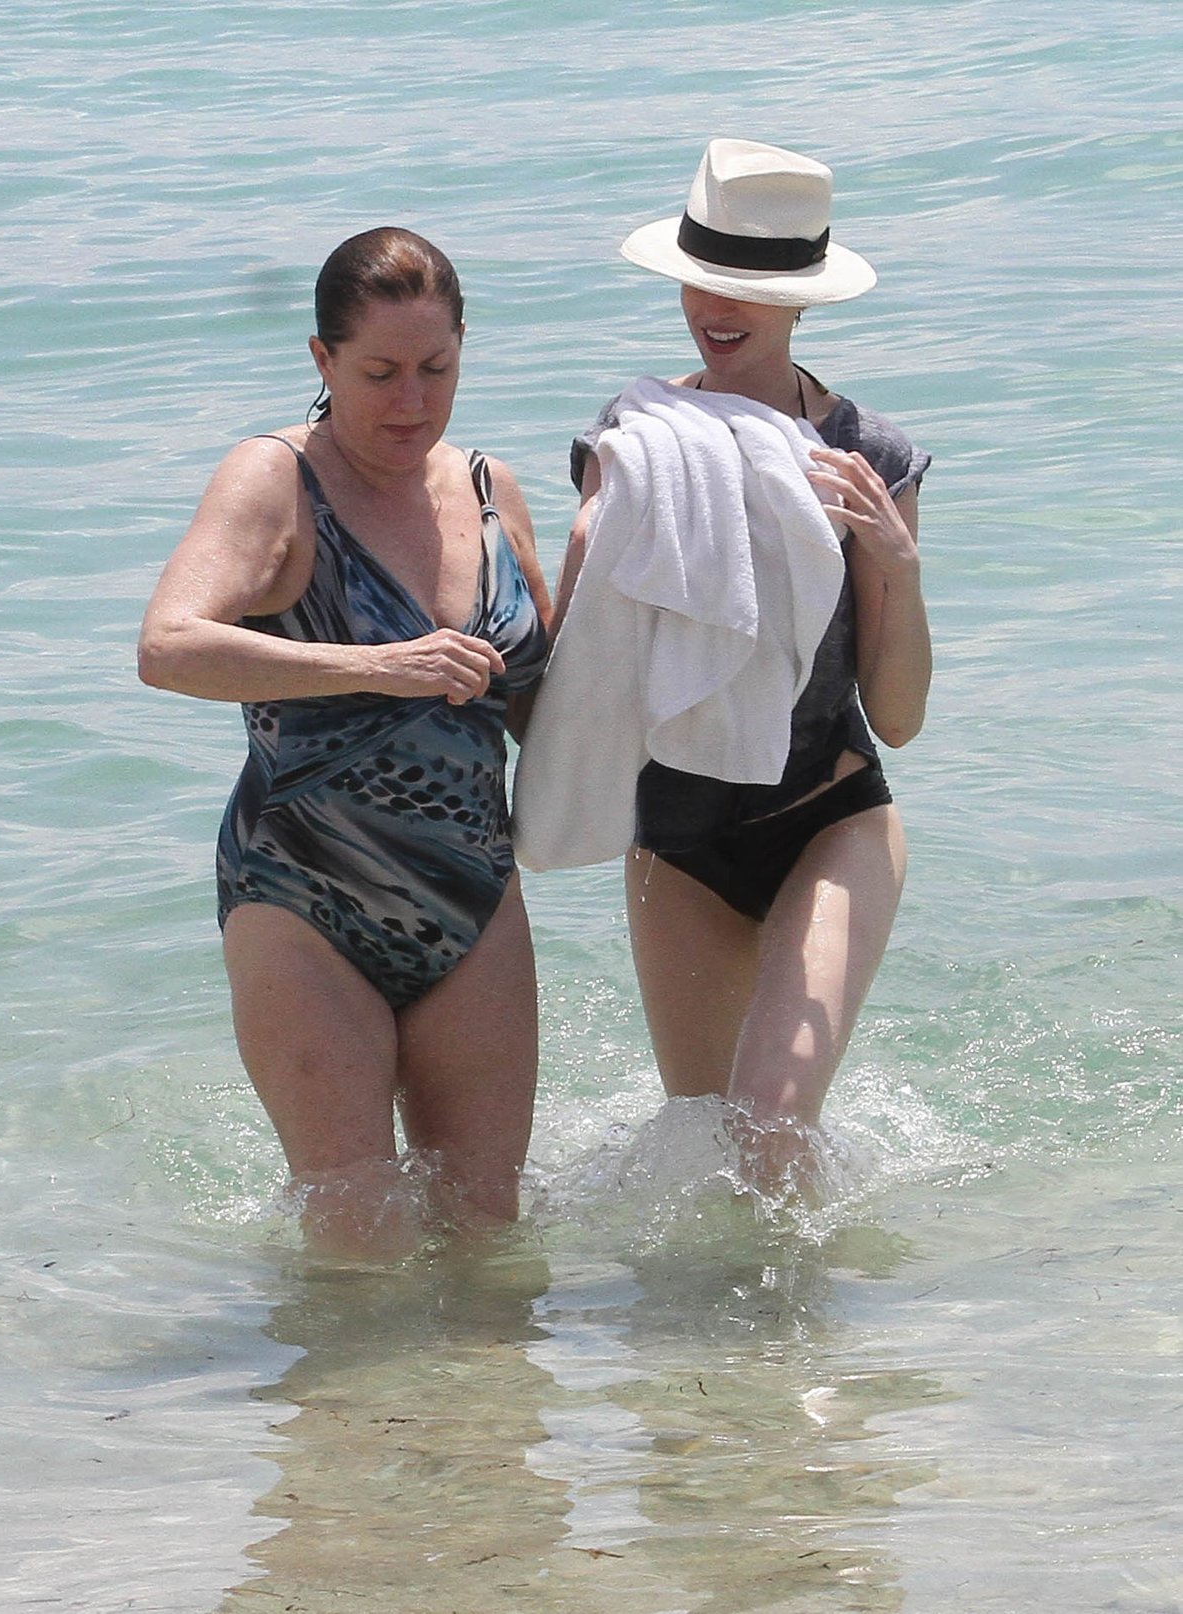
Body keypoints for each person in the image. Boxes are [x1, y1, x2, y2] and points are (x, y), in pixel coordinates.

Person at [517, 139, 931, 1189]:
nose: (719, 305)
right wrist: (579, 554)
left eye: (751, 285)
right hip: (677, 841)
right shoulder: (633, 439)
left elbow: (899, 714)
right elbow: (591, 667)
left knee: (773, 1127)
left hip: (826, 819)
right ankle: (713, 1356)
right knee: (704, 1146)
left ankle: (815, 1348)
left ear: (804, 299)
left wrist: (897, 561)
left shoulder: (867, 458)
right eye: (704, 277)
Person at [138, 227, 552, 1257]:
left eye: (435, 368)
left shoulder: (497, 492)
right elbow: (169, 647)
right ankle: (352, 1423)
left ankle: (479, 1425)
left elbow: (546, 708)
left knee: (488, 1234)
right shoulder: (274, 480)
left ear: (465, 348)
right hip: (301, 896)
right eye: (379, 372)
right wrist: (380, 665)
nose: (410, 400)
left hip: (472, 897)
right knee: (357, 1245)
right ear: (321, 361)